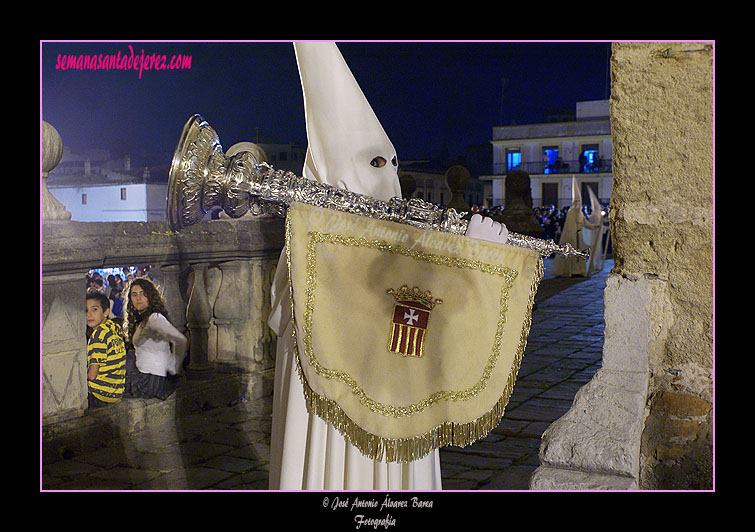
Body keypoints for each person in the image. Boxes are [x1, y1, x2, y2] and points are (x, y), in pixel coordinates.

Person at [268, 42, 508, 490]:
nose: (388, 178)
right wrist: (469, 269)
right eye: (374, 163)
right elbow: (391, 323)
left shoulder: (387, 242)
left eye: (393, 163)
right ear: (331, 169)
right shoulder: (312, 248)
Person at [123, 278, 187, 401]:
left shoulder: (155, 318)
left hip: (151, 381)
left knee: (126, 358)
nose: (138, 298)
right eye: (134, 294)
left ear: (150, 296)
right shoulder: (141, 320)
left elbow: (180, 340)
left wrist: (174, 369)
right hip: (148, 376)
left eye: (143, 294)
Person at [86, 290, 127, 408]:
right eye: (86, 310)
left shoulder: (99, 335)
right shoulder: (113, 327)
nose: (89, 314)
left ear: (106, 312)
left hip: (101, 394)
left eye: (94, 309)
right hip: (116, 391)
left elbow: (92, 375)